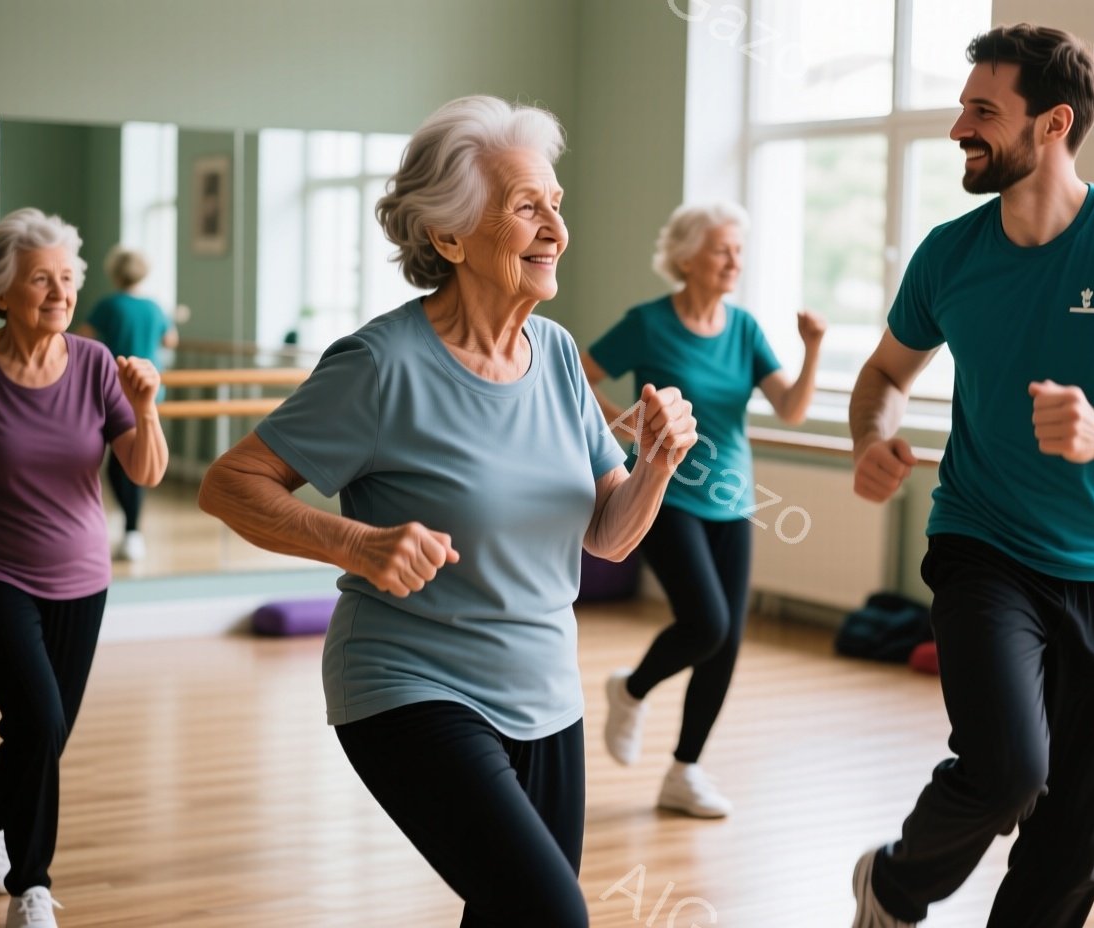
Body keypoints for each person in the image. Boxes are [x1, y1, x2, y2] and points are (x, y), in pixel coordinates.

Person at [199, 96, 697, 928]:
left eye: (556, 205)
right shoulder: (380, 364)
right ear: (450, 237)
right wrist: (355, 542)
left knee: (509, 914)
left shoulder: (561, 356)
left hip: (546, 690)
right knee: (552, 913)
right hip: (408, 685)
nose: (555, 230)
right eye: (525, 207)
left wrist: (655, 465)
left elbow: (608, 536)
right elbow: (230, 482)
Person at [846, 24, 1094, 928]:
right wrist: (872, 435)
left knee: (1067, 845)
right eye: (962, 107)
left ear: (1053, 123)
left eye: (984, 111)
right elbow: (884, 377)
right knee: (1012, 770)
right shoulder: (949, 253)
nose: (958, 129)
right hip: (985, 546)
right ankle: (898, 884)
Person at [0, 208, 168, 928]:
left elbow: (143, 467)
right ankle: (32, 886)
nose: (59, 291)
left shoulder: (97, 366)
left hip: (81, 572)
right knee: (41, 718)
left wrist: (146, 409)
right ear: (1, 291)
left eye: (68, 278)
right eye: (40, 279)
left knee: (40, 731)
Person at [584, 201, 825, 818]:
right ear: (687, 257)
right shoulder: (648, 322)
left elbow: (791, 408)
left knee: (726, 643)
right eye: (722, 250)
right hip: (666, 494)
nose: (734, 262)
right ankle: (632, 689)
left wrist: (813, 347)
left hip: (734, 499)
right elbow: (580, 371)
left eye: (739, 252)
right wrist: (621, 424)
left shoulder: (744, 329)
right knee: (707, 623)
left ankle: (684, 771)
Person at [77, 246, 178, 562]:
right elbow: (170, 339)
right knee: (137, 457)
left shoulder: (109, 305)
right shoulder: (153, 306)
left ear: (115, 272)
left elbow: (82, 336)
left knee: (122, 464)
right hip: (149, 387)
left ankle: (132, 531)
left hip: (118, 388)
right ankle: (132, 531)